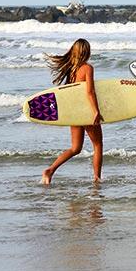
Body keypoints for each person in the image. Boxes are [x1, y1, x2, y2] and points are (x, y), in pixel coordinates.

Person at [41, 38, 104, 184]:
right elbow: (90, 92)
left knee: (75, 148)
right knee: (98, 145)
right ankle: (97, 179)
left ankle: (50, 170)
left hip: (74, 112)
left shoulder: (71, 69)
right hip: (86, 111)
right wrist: (95, 111)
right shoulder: (87, 68)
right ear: (86, 52)